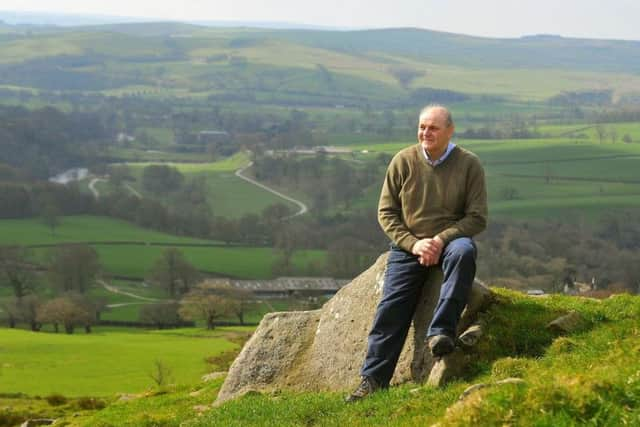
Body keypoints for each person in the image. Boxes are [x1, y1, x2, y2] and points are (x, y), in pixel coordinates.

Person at [346, 104, 488, 402]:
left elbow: (477, 217)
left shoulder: (469, 164)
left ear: (450, 131)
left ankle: (441, 332)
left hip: (451, 241)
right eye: (422, 127)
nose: (426, 133)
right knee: (391, 309)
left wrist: (440, 240)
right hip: (408, 245)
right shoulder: (403, 161)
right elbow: (386, 213)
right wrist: (413, 243)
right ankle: (373, 380)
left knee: (464, 253)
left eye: (433, 128)